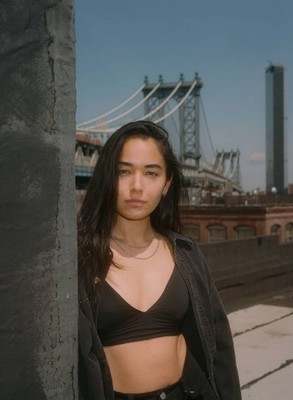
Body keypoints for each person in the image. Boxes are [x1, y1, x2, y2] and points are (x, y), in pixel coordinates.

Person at [78, 120, 242, 400]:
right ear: (108, 177)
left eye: (152, 173)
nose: (137, 186)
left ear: (167, 184)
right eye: (123, 171)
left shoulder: (186, 253)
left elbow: (220, 346)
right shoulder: (82, 257)